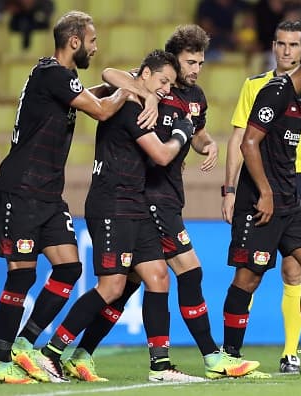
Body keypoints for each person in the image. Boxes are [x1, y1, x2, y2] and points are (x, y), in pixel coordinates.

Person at [61, 24, 261, 382]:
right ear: (172, 60)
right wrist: (147, 93)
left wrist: (209, 144)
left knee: (131, 286)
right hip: (150, 198)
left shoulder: (196, 96)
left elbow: (195, 133)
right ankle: (213, 357)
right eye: (190, 61)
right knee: (190, 270)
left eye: (200, 62)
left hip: (168, 196)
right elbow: (109, 73)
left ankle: (82, 352)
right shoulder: (153, 86)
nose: (195, 69)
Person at [0, 10, 136, 384]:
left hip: (48, 194)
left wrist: (129, 82)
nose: (95, 47)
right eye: (92, 40)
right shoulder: (51, 74)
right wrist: (131, 90)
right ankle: (0, 362)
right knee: (21, 277)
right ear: (75, 41)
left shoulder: (60, 77)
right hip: (20, 189)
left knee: (69, 268)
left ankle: (25, 344)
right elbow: (102, 110)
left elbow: (92, 96)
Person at [39, 49, 204, 383]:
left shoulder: (140, 101)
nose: (166, 90)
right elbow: (160, 155)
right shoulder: (129, 106)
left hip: (135, 205)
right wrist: (184, 131)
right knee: (113, 286)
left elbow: (115, 75)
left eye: (170, 85)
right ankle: (50, 353)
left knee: (158, 275)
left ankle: (160, 366)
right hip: (112, 204)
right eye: (162, 81)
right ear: (143, 74)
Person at [220, 36, 301, 378]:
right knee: (248, 278)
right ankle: (229, 356)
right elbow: (249, 142)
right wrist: (263, 192)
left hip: (290, 200)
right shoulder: (276, 92)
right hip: (260, 201)